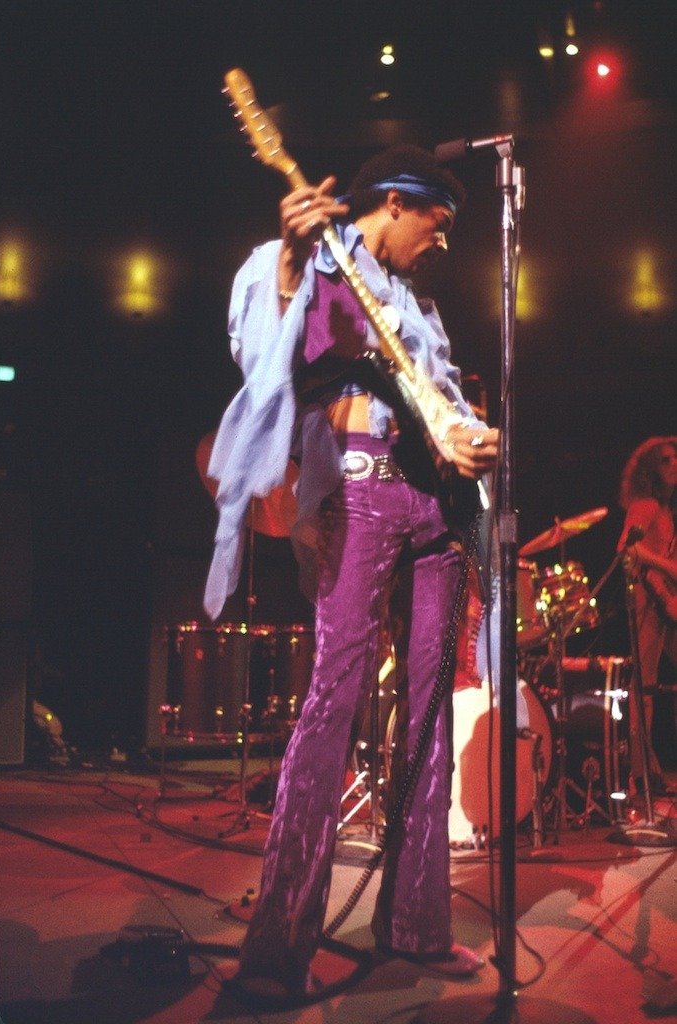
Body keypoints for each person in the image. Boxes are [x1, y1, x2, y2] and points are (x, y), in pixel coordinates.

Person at [203, 144, 499, 1006]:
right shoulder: (308, 261)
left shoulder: (424, 308)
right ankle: (276, 950)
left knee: (431, 715)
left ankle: (416, 924)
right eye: (436, 225)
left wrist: (475, 435)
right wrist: (295, 262)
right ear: (397, 205)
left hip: (436, 512)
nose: (441, 243)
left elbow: (442, 400)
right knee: (332, 706)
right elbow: (265, 358)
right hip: (361, 495)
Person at [617, 436, 677, 794]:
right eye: (666, 461)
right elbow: (628, 546)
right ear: (651, 470)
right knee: (645, 687)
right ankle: (640, 770)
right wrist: (667, 567)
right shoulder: (645, 504)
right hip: (646, 601)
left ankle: (648, 765)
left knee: (650, 687)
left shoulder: (666, 509)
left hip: (663, 597)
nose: (674, 465)